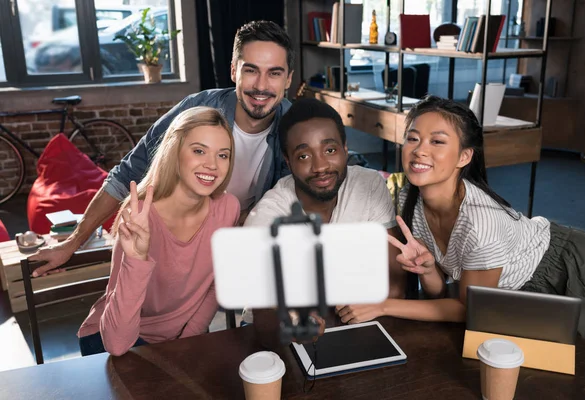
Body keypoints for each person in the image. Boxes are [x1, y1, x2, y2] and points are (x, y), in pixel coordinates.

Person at [30, 20, 294, 277]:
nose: (261, 85)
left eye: (274, 73)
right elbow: (127, 174)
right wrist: (72, 243)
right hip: (176, 242)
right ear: (234, 71)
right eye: (251, 70)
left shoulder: (294, 128)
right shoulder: (195, 110)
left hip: (243, 242)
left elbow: (289, 200)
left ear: (288, 79)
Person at [335, 95, 585, 346]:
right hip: (507, 289)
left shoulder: (481, 223)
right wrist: (428, 270)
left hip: (570, 268)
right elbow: (439, 294)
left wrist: (381, 306)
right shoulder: (409, 198)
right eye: (413, 138)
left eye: (437, 142)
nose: (419, 150)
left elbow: (469, 310)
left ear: (464, 156)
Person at [77, 106, 240, 356]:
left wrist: (188, 339)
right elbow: (117, 344)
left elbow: (216, 283)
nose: (212, 165)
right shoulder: (139, 217)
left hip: (182, 337)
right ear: (174, 153)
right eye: (199, 151)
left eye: (223, 155)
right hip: (116, 338)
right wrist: (137, 259)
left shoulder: (228, 208)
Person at [244, 98, 405, 345]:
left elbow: (395, 287)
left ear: (345, 149)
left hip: (361, 328)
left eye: (330, 150)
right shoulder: (268, 218)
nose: (320, 167)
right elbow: (264, 321)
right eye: (304, 155)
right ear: (288, 162)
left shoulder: (369, 185)